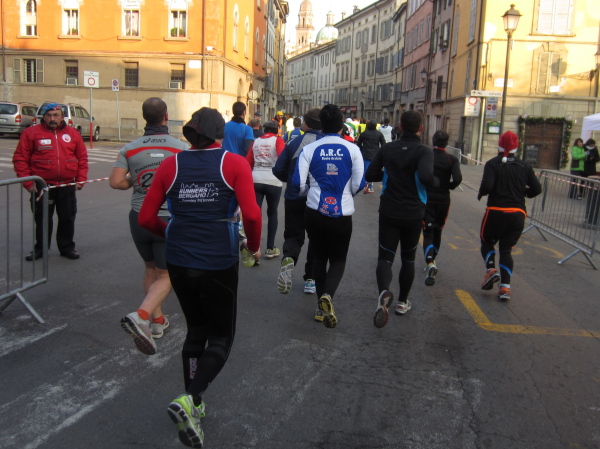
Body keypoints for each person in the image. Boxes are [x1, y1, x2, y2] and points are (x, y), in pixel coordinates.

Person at [138, 107, 261, 448]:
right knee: (221, 337)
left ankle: (194, 400)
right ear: (220, 134)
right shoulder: (234, 163)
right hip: (218, 259)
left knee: (195, 330)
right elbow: (252, 215)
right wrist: (254, 247)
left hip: (178, 258)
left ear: (191, 133)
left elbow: (146, 218)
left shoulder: (171, 164)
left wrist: (170, 232)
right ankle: (190, 398)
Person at [109, 97, 189, 355]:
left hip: (139, 216)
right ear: (166, 116)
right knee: (167, 275)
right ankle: (142, 317)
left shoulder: (129, 149)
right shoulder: (181, 148)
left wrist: (137, 180)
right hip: (168, 218)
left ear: (144, 117)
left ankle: (157, 321)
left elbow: (116, 182)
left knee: (150, 269)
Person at [293, 104, 365, 328]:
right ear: (342, 126)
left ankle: (319, 306)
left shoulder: (309, 149)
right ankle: (328, 296)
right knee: (338, 259)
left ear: (321, 126)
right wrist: (346, 195)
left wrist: (309, 191)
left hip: (314, 211)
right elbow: (359, 183)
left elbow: (297, 183)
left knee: (319, 257)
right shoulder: (353, 149)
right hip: (342, 214)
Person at [365, 110, 438, 329]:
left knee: (385, 258)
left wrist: (389, 174)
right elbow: (425, 176)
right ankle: (403, 302)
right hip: (413, 212)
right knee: (408, 259)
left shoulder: (388, 148)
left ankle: (383, 294)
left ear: (399, 126)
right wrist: (436, 183)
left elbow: (371, 175)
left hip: (389, 209)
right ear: (421, 128)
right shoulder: (424, 151)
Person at [13, 102, 88, 261]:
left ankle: (67, 248)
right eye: (48, 115)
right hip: (42, 186)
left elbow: (82, 158)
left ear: (62, 117)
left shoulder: (73, 133)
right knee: (42, 219)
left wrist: (81, 179)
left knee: (67, 218)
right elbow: (20, 159)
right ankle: (40, 249)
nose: (52, 118)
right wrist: (28, 183)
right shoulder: (31, 133)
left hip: (66, 184)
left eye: (56, 115)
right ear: (43, 117)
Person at [478, 130, 542, 301]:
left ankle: (491, 270)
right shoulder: (525, 166)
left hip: (496, 211)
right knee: (506, 250)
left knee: (486, 241)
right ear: (517, 146)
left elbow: (487, 186)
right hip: (517, 213)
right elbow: (537, 189)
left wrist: (481, 193)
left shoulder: (493, 163)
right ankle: (505, 288)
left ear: (499, 144)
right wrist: (524, 193)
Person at [272, 108, 323, 296]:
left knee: (294, 235)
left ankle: (289, 259)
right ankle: (311, 279)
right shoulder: (326, 144)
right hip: (318, 199)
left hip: (295, 196)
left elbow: (278, 169)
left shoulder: (294, 142)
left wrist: (290, 179)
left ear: (305, 124)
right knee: (317, 238)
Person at [421, 130, 462, 286]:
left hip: (428, 198)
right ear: (447, 143)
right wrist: (449, 186)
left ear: (433, 141)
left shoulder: (427, 156)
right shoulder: (451, 159)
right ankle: (433, 260)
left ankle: (430, 262)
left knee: (428, 231)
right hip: (444, 199)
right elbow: (457, 178)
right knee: (438, 230)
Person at [246, 120, 286, 259]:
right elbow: (282, 158)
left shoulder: (256, 142)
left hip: (256, 179)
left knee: (256, 215)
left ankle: (254, 249)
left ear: (264, 129)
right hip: (273, 180)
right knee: (272, 213)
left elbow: (248, 161)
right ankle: (270, 248)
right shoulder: (278, 140)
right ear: (276, 130)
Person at [357, 119, 386, 194]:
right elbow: (383, 144)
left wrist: (362, 149)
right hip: (375, 155)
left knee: (366, 170)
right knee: (373, 171)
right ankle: (370, 186)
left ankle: (365, 185)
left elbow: (358, 143)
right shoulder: (379, 134)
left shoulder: (364, 134)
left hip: (365, 154)